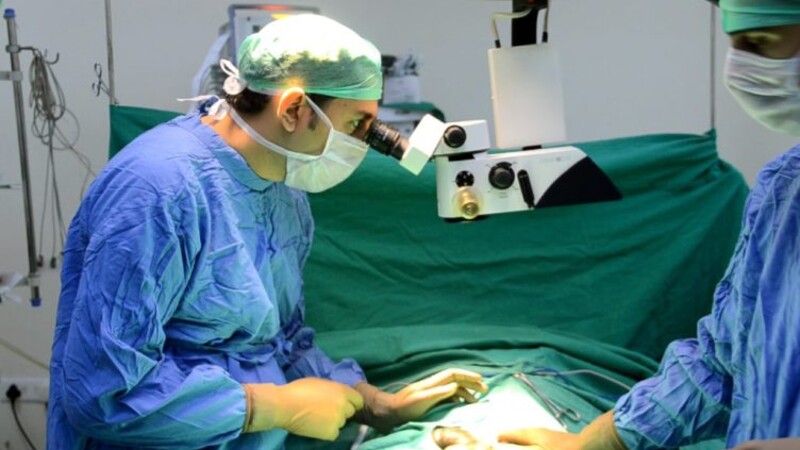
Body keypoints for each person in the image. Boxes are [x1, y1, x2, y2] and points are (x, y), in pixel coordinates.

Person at [47, 14, 487, 450]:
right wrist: (269, 406)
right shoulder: (157, 190)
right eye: (356, 126)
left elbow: (280, 340)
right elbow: (104, 393)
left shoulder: (282, 187)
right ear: (293, 109)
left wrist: (370, 402)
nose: (359, 144)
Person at [480, 2, 800, 450]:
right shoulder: (784, 190)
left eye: (761, 42)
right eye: (736, 43)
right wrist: (594, 443)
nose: (742, 65)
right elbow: (719, 366)